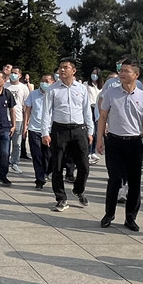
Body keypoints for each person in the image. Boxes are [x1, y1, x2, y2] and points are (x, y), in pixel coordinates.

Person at [96, 59, 143, 232]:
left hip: (134, 143)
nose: (122, 74)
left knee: (134, 182)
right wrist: (99, 139)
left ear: (136, 75)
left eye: (126, 71)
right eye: (121, 71)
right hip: (114, 141)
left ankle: (131, 218)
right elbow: (103, 117)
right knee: (114, 180)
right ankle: (109, 214)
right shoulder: (111, 93)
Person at [41, 57, 94, 212]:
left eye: (66, 67)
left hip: (79, 129)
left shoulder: (81, 88)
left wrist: (90, 131)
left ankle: (78, 189)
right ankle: (61, 198)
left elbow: (86, 111)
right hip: (60, 129)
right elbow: (46, 112)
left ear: (74, 70)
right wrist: (45, 132)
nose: (62, 70)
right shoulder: (53, 89)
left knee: (84, 165)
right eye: (60, 67)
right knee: (57, 165)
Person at [24, 73, 54, 189]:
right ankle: (39, 179)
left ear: (52, 83)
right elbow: (28, 110)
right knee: (36, 155)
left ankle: (46, 172)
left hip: (49, 129)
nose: (44, 83)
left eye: (47, 81)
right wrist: (25, 125)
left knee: (48, 155)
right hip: (34, 129)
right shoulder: (33, 94)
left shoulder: (54, 94)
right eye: (42, 81)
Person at [6, 66, 30, 174]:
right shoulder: (5, 86)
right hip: (5, 118)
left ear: (20, 75)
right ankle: (5, 162)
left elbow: (26, 106)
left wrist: (26, 122)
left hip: (19, 119)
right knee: (5, 143)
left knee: (17, 143)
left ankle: (14, 163)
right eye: (12, 72)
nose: (13, 74)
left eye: (15, 73)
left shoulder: (23, 88)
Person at [85, 67, 103, 165]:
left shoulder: (101, 87)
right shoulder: (86, 85)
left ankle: (93, 151)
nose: (94, 75)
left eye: (96, 74)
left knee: (96, 131)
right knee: (90, 131)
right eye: (93, 73)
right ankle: (88, 151)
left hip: (97, 109)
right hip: (89, 108)